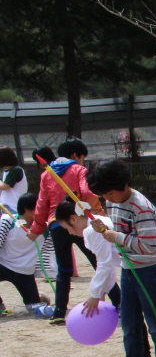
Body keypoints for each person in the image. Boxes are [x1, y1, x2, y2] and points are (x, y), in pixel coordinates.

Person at [82, 159, 156, 357]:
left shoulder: (140, 207)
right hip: (129, 269)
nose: (108, 199)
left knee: (155, 324)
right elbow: (117, 230)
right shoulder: (112, 201)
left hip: (149, 271)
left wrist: (116, 237)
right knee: (129, 322)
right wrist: (103, 228)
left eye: (110, 193)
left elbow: (149, 245)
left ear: (124, 185)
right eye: (103, 195)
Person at [28, 139, 115, 325]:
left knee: (64, 270)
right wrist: (98, 213)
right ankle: (121, 304)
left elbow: (41, 205)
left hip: (57, 225)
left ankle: (59, 311)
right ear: (76, 155)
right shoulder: (78, 170)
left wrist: (36, 228)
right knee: (99, 263)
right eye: (83, 157)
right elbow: (88, 193)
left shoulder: (47, 174)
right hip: (80, 222)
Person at [0, 193, 53, 317]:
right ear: (26, 209)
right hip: (3, 265)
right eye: (39, 208)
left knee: (35, 307)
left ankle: (39, 298)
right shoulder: (8, 220)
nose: (42, 211)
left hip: (25, 272)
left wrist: (40, 272)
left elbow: (46, 252)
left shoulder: (47, 228)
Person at [0, 146, 28, 216]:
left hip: (14, 207)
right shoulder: (5, 172)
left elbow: (5, 186)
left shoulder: (16, 170)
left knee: (15, 226)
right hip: (6, 206)